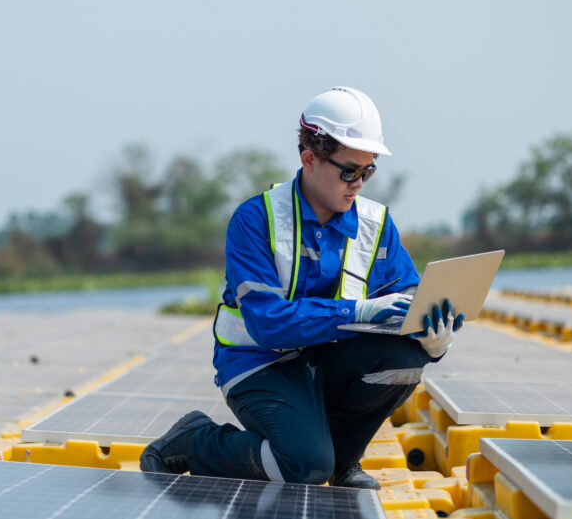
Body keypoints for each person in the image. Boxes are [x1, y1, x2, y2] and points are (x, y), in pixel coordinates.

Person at [140, 86, 463, 489]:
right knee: (303, 467)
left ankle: (343, 462)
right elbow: (269, 323)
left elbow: (411, 298)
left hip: (325, 360)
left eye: (368, 172)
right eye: (349, 171)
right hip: (259, 363)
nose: (359, 184)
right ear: (309, 159)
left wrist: (432, 340)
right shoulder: (255, 220)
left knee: (404, 356)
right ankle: (195, 442)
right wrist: (358, 311)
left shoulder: (376, 224)